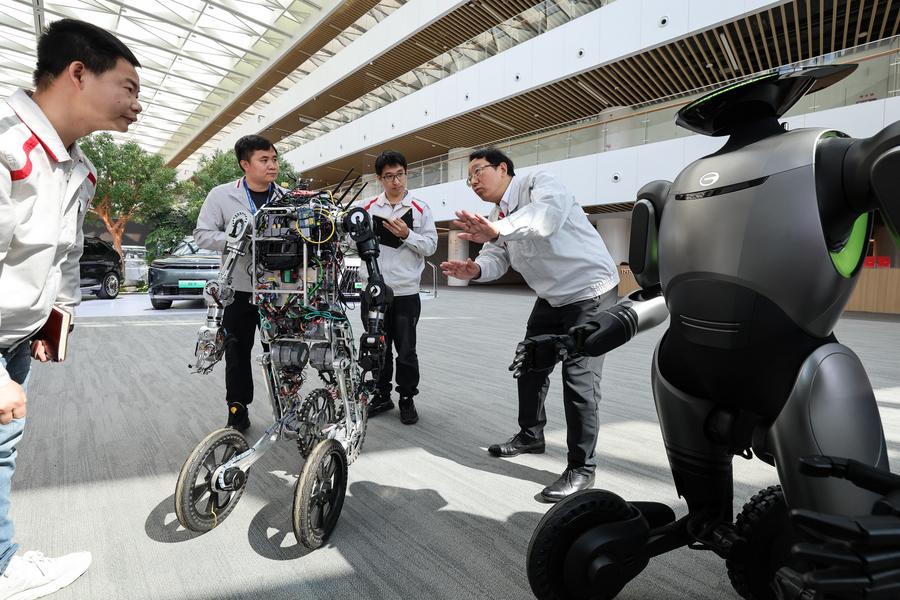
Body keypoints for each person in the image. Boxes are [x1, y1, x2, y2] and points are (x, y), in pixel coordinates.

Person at [0, 18, 142, 599]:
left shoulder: (77, 165)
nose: (138, 104)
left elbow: (65, 254)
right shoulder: (7, 144)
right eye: (128, 87)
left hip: (16, 337)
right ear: (78, 73)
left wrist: (57, 313)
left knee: (1, 452)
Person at [440, 148, 619, 502]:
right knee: (530, 364)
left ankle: (582, 468)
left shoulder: (539, 183)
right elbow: (496, 256)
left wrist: (498, 230)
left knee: (579, 379)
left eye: (478, 171)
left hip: (590, 292)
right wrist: (476, 269)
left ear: (502, 168)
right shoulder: (497, 215)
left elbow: (544, 217)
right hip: (552, 297)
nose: (473, 181)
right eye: (469, 177)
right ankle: (531, 434)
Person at [194, 135, 285, 432]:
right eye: (264, 160)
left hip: (278, 291)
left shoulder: (287, 197)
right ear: (245, 164)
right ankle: (238, 408)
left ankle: (286, 407)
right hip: (237, 290)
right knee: (237, 353)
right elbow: (202, 235)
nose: (272, 165)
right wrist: (236, 239)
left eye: (274, 159)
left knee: (281, 353)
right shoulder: (221, 195)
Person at [353, 151, 437, 424]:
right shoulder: (367, 207)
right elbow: (348, 242)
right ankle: (381, 394)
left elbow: (431, 246)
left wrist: (407, 234)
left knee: (406, 349)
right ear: (380, 179)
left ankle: (407, 397)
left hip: (405, 292)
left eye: (400, 174)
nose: (396, 181)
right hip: (373, 291)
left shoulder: (421, 208)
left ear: (406, 173)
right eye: (389, 176)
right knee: (377, 346)